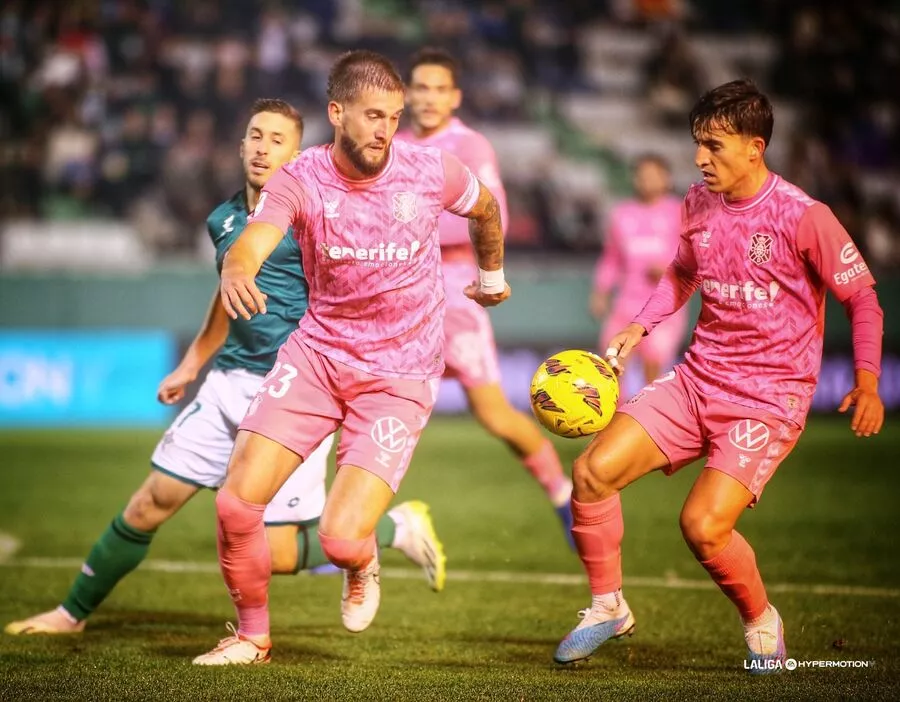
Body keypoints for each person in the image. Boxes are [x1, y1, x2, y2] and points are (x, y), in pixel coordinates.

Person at [4, 98, 443, 637]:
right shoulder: (225, 218)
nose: (262, 148)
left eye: (277, 139)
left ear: (299, 153)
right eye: (255, 136)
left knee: (277, 552)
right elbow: (228, 293)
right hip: (228, 382)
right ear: (241, 146)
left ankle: (393, 529)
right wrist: (193, 363)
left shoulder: (317, 215)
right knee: (150, 504)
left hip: (297, 395)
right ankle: (69, 614)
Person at [554, 80, 885, 672]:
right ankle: (608, 606)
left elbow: (861, 297)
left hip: (768, 397)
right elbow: (683, 272)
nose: (700, 158)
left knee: (703, 527)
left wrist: (866, 379)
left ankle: (761, 621)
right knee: (591, 472)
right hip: (697, 379)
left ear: (755, 148)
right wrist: (640, 326)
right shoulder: (698, 202)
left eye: (714, 145)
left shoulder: (804, 216)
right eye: (696, 144)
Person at [192, 50, 508, 666]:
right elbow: (255, 237)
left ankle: (363, 562)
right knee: (235, 506)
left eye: (392, 116)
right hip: (317, 359)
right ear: (336, 113)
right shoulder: (301, 177)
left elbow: (487, 208)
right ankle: (253, 635)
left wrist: (491, 273)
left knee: (338, 539)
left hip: (400, 375)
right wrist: (235, 267)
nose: (385, 130)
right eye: (371, 116)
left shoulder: (430, 170)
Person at [394, 47, 575, 546]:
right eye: (420, 87)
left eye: (438, 88)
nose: (428, 97)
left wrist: (413, 223)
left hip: (454, 292)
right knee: (385, 406)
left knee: (494, 413)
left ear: (455, 96)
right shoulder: (395, 142)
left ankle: (562, 493)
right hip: (400, 291)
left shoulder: (469, 147)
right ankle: (354, 529)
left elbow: (490, 215)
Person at [590, 154, 688, 398]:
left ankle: (648, 424)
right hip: (627, 303)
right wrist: (601, 291)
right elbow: (611, 257)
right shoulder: (622, 214)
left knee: (653, 365)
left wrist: (669, 267)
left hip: (664, 305)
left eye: (653, 175)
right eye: (642, 175)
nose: (646, 180)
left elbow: (693, 254)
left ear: (667, 178)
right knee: (611, 362)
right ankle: (614, 421)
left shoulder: (680, 212)